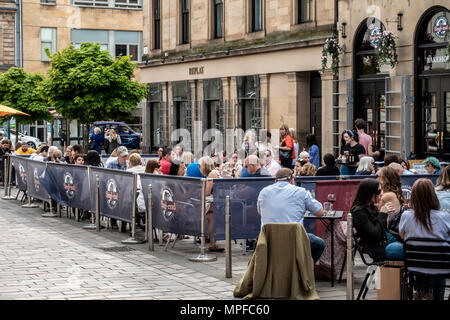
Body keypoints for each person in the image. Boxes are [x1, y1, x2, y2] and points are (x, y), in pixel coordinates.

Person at [257, 168, 326, 262]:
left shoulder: (263, 192)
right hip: (293, 240)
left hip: (268, 240)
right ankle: (303, 270)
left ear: (275, 181)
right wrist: (309, 196)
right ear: (292, 180)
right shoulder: (301, 192)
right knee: (320, 244)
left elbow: (260, 213)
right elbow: (320, 212)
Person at [399, 178, 450, 300]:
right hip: (441, 266)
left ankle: (422, 290)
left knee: (423, 255)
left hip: (414, 266)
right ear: (433, 195)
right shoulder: (445, 217)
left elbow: (402, 236)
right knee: (439, 258)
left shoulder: (406, 216)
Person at [351, 178, 403, 262]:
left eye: (382, 190)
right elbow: (374, 234)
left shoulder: (372, 208)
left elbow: (382, 227)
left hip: (388, 241)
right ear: (369, 194)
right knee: (411, 251)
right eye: (378, 191)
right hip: (380, 247)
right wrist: (382, 214)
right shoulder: (359, 212)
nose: (382, 194)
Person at [198, 156, 224, 252]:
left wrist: (197, 192)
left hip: (216, 203)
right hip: (219, 202)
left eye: (200, 165)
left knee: (210, 215)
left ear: (204, 166)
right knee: (209, 214)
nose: (199, 168)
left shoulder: (211, 174)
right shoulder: (214, 172)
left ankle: (212, 242)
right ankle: (211, 242)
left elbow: (207, 192)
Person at [377, 166, 406, 243]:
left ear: (384, 179)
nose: (376, 179)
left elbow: (377, 212)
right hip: (390, 230)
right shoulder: (390, 193)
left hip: (388, 234)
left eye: (378, 176)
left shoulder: (388, 195)